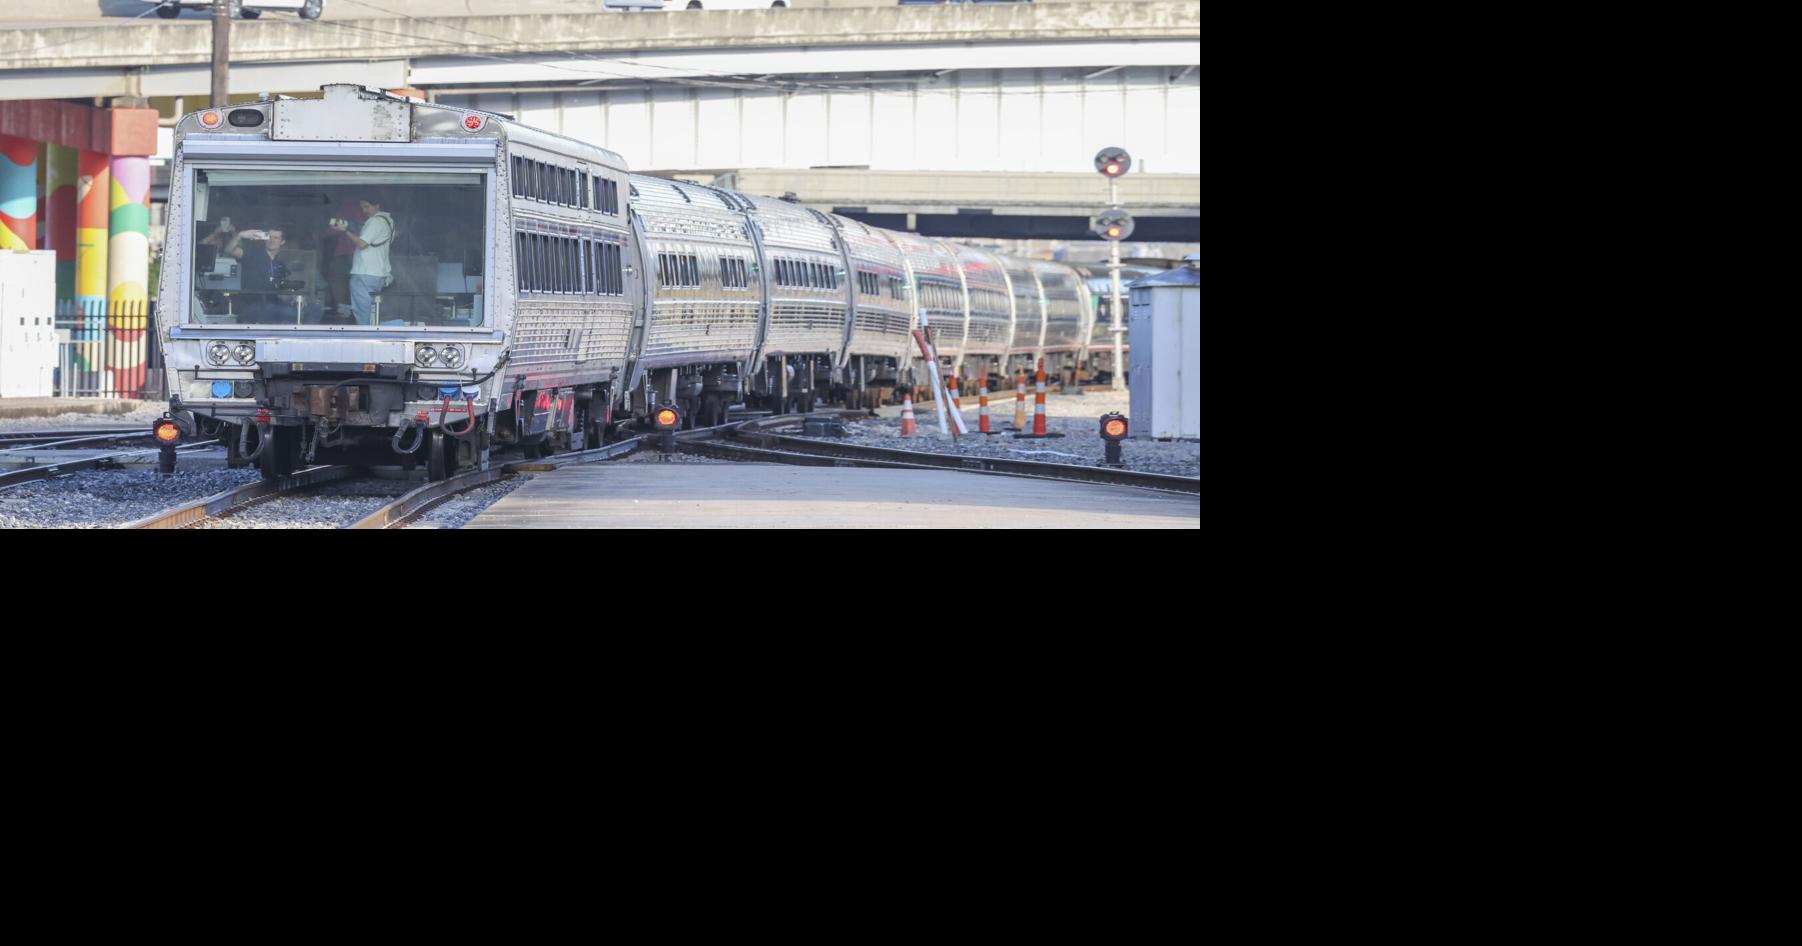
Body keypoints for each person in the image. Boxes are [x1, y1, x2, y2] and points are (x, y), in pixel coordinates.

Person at [342, 198, 396, 324]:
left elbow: (362, 244)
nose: (364, 210)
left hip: (365, 273)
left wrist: (345, 230)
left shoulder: (374, 221)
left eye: (367, 206)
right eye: (362, 207)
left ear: (377, 205)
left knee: (362, 312)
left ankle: (364, 337)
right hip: (379, 273)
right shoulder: (389, 221)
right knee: (372, 310)